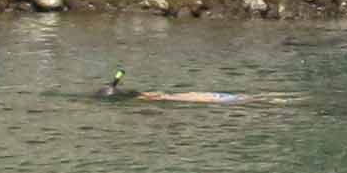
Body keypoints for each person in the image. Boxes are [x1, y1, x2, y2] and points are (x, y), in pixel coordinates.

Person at [94, 71, 276, 105]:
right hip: (188, 96)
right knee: (250, 98)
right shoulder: (143, 97)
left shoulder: (144, 98)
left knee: (250, 99)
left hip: (188, 97)